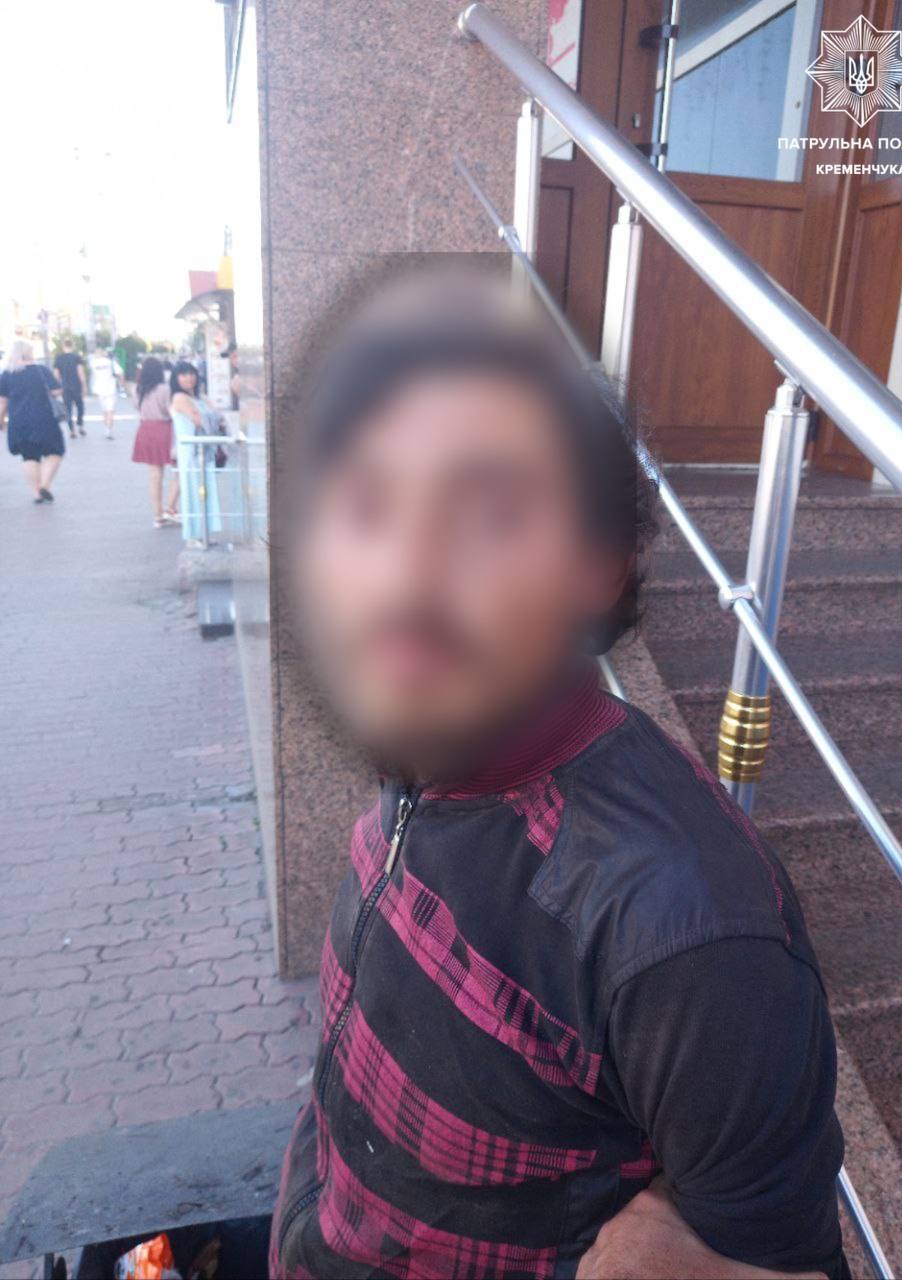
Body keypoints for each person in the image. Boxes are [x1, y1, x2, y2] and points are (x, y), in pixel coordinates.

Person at [269, 273, 848, 1280]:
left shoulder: (683, 929)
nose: (406, 572)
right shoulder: (423, 744)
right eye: (366, 505)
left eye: (488, 514)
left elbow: (788, 1261)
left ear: (600, 566)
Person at [0, 339, 66, 503]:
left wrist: (1, 420)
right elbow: (57, 391)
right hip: (44, 419)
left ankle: (36, 493)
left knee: (29, 457)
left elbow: (2, 402)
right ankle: (44, 485)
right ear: (29, 352)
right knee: (55, 452)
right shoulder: (41, 370)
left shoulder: (7, 374)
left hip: (19, 421)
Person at [169, 360, 221, 544]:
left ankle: (204, 533)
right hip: (191, 452)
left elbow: (214, 416)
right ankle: (193, 535)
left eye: (191, 374)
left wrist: (210, 417)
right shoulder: (179, 398)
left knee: (206, 490)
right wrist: (211, 417)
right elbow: (200, 419)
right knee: (193, 490)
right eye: (183, 375)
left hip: (205, 450)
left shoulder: (200, 397)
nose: (188, 378)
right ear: (176, 378)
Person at [132, 356, 180, 528]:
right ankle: (170, 507)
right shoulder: (164, 389)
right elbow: (171, 410)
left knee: (154, 475)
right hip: (164, 429)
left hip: (145, 429)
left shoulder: (138, 389)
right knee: (180, 469)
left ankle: (157, 515)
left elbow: (136, 407)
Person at [53, 337, 87, 438]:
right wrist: (84, 385)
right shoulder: (77, 357)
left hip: (65, 387)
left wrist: (56, 387)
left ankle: (72, 430)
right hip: (76, 386)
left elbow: (56, 375)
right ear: (72, 346)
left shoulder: (58, 358)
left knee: (68, 409)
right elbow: (80, 372)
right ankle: (80, 425)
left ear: (63, 346)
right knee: (80, 406)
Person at [89, 344, 118, 439]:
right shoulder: (110, 362)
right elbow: (119, 372)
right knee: (110, 411)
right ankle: (108, 430)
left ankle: (106, 428)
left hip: (99, 390)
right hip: (111, 389)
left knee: (104, 411)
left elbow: (92, 376)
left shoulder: (93, 363)